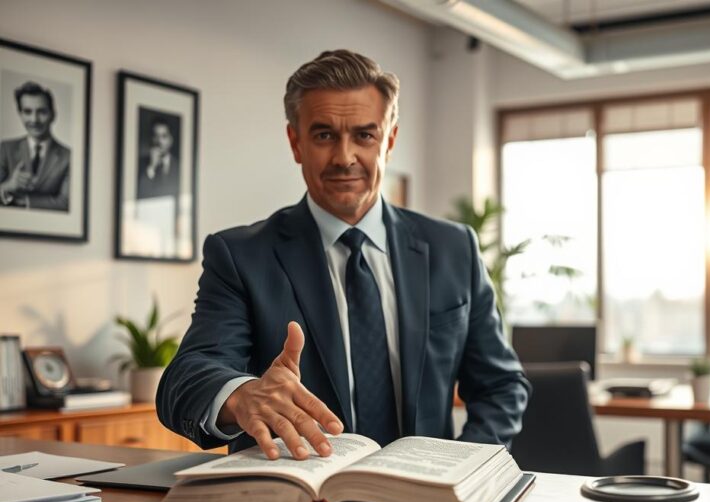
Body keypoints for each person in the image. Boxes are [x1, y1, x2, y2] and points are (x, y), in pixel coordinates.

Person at [157, 49, 530, 460]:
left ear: (389, 141)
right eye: (323, 135)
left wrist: (465, 464)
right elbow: (186, 379)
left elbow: (500, 385)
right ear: (295, 142)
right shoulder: (241, 256)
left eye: (364, 135)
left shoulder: (453, 249)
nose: (345, 157)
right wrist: (241, 395)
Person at [0, 81, 70, 211]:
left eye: (42, 112)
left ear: (53, 114)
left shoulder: (68, 156)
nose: (34, 120)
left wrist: (23, 202)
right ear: (20, 114)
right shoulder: (5, 148)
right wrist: (9, 185)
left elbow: (65, 202)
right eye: (27, 112)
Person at [136, 116, 180, 199]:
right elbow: (139, 194)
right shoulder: (140, 163)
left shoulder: (179, 165)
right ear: (151, 139)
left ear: (171, 140)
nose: (159, 141)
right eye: (156, 136)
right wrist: (151, 167)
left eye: (164, 136)